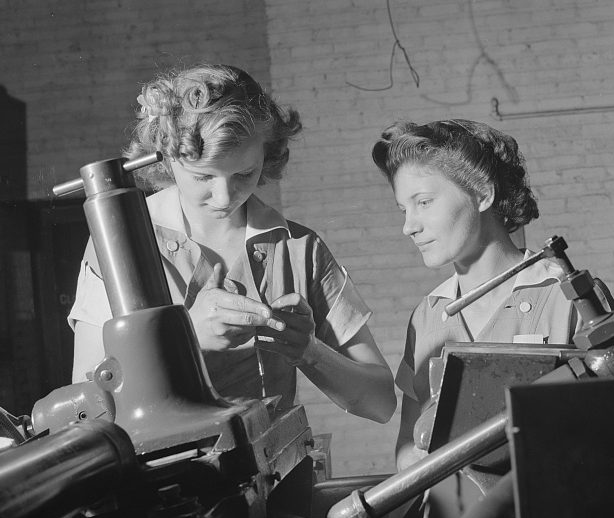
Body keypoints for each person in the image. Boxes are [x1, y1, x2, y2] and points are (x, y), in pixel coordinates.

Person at [69, 64, 396, 423]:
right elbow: (83, 413)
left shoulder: (300, 249)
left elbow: (381, 402)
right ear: (166, 157)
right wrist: (186, 337)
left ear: (267, 156)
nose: (224, 197)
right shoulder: (119, 246)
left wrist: (311, 352)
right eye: (203, 176)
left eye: (244, 174)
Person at [372, 118, 578, 469]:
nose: (409, 226)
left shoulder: (566, 296)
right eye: (403, 209)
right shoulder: (427, 316)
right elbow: (408, 445)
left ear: (482, 193)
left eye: (423, 202)